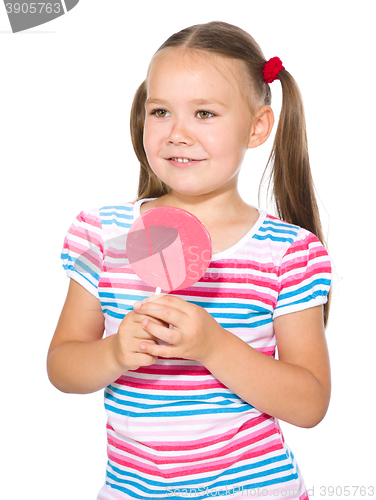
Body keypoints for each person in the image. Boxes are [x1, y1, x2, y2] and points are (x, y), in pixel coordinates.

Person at [47, 21, 332, 500]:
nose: (177, 133)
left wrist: (214, 346)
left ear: (258, 126)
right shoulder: (105, 235)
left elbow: (309, 404)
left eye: (204, 113)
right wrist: (114, 352)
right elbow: (62, 365)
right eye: (161, 111)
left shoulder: (288, 253)